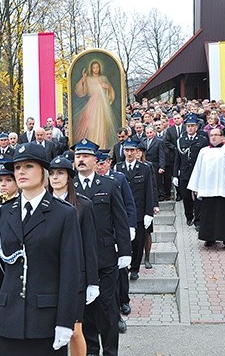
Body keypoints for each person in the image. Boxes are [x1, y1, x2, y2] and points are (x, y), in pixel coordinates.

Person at [0, 143, 83, 356]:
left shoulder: (63, 214)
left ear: (43, 173)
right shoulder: (3, 214)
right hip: (7, 318)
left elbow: (70, 272)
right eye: (17, 168)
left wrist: (65, 321)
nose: (21, 172)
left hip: (45, 320)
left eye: (28, 166)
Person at [72, 139, 131, 356]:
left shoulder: (108, 185)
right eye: (78, 156)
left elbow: (120, 220)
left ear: (96, 161)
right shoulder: (70, 187)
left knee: (107, 308)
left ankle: (110, 351)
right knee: (85, 310)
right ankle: (90, 351)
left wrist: (125, 251)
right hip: (80, 259)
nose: (81, 160)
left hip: (105, 257)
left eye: (85, 156)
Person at [48, 156, 99, 356]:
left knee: (75, 330)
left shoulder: (83, 206)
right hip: (49, 275)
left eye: (60, 173)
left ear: (69, 177)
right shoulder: (43, 205)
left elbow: (90, 245)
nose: (55, 177)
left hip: (76, 276)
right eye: (51, 173)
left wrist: (92, 281)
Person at [94, 151, 137, 334]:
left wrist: (130, 227)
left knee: (119, 275)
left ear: (109, 162)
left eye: (102, 162)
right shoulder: (88, 183)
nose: (99, 166)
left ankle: (122, 304)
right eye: (97, 163)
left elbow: (128, 204)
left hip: (115, 234)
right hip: (99, 238)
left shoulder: (117, 180)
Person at [188, 128, 225, 251]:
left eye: (216, 135)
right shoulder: (204, 151)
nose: (213, 137)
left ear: (222, 137)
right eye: (211, 135)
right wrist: (196, 187)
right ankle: (209, 238)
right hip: (208, 188)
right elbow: (198, 169)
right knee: (209, 215)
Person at [115, 138, 154, 279]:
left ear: (137, 151)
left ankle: (135, 269)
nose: (129, 153)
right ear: (123, 151)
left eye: (132, 150)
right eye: (127, 150)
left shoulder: (144, 168)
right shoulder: (118, 168)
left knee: (138, 243)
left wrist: (149, 213)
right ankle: (125, 267)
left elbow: (149, 191)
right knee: (125, 242)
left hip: (139, 211)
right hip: (122, 212)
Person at [174, 116, 209, 228]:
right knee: (186, 197)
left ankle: (198, 220)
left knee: (198, 197)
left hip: (198, 172)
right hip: (185, 173)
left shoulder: (202, 140)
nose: (190, 128)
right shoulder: (181, 140)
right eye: (188, 126)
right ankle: (189, 217)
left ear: (196, 127)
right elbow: (177, 159)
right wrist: (175, 175)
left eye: (192, 126)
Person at [73, 60, 117, 148]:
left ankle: (102, 146)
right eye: (94, 67)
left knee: (102, 126)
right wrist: (83, 80)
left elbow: (110, 90)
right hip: (92, 104)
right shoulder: (88, 79)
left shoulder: (103, 78)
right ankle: (92, 146)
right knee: (91, 125)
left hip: (102, 105)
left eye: (97, 67)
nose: (95, 69)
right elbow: (83, 92)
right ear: (91, 69)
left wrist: (107, 87)